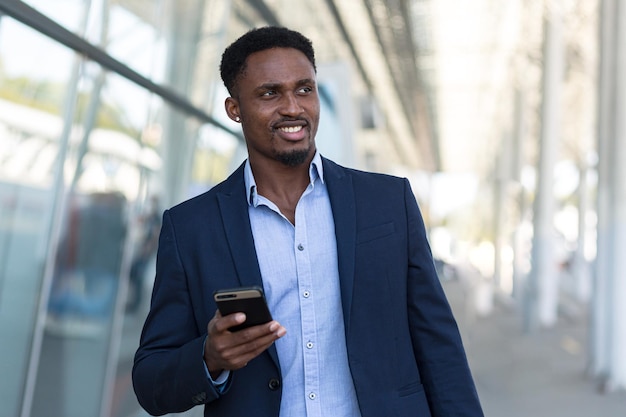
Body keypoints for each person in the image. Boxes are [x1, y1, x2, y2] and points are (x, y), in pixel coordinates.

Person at [133, 26, 484, 417]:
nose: (293, 107)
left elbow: (439, 346)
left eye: (304, 89)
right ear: (234, 109)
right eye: (270, 93)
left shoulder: (387, 203)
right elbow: (151, 381)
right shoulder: (191, 228)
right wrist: (210, 358)